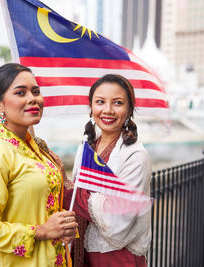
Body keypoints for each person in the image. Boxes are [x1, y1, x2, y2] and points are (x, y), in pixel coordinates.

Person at [0, 63, 78, 267]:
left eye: (36, 91)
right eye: (20, 92)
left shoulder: (37, 148)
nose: (32, 99)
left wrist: (62, 228)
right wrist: (43, 231)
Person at [63, 74, 152, 267]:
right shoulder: (86, 147)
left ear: (129, 110)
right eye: (100, 102)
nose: (108, 110)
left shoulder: (136, 156)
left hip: (116, 258)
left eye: (118, 103)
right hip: (80, 251)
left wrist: (70, 193)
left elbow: (118, 221)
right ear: (91, 108)